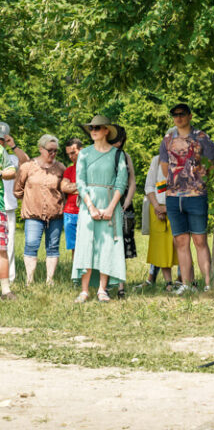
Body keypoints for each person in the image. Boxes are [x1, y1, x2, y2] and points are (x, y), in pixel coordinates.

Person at [159, 103, 214, 294]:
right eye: (174, 114)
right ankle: (187, 284)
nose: (178, 117)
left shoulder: (202, 137)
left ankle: (208, 284)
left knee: (200, 240)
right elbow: (165, 168)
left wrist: (200, 178)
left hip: (196, 195)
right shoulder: (167, 139)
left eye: (182, 114)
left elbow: (213, 165)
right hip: (173, 197)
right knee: (181, 242)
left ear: (190, 116)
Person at [71, 116, 128, 302]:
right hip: (88, 204)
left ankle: (102, 289)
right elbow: (80, 182)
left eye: (97, 127)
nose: (93, 130)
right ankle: (84, 290)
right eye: (91, 128)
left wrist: (111, 208)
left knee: (107, 246)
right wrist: (90, 206)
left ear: (106, 131)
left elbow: (121, 182)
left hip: (111, 202)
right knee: (86, 243)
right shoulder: (84, 154)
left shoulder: (117, 154)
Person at [14, 134, 66, 285]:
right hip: (33, 214)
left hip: (55, 214)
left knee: (53, 247)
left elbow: (65, 189)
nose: (53, 153)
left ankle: (50, 280)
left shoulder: (60, 167)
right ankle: (29, 280)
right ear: (41, 149)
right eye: (50, 150)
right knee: (31, 244)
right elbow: (17, 189)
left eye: (55, 151)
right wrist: (30, 199)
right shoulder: (28, 166)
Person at [143, 154, 179, 291]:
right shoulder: (157, 160)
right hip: (157, 209)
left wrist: (168, 209)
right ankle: (168, 283)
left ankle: (184, 280)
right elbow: (149, 186)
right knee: (162, 248)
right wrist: (157, 207)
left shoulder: (184, 160)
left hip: (177, 209)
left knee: (179, 245)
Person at [0, 123, 29, 283]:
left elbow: (26, 162)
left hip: (8, 206)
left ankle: (9, 277)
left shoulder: (11, 158)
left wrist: (13, 146)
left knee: (8, 244)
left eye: (2, 139)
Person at [110, 126, 136, 299]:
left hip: (124, 203)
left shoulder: (125, 156)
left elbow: (132, 181)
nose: (119, 142)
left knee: (121, 245)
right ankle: (104, 284)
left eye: (121, 139)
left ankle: (121, 287)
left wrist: (127, 201)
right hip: (106, 200)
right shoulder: (102, 154)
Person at [0, 135, 18, 299]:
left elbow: (12, 171)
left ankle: (5, 290)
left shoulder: (1, 151)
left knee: (1, 249)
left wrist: (2, 173)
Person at [60, 138, 83, 253]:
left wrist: (72, 187)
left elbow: (93, 188)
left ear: (81, 150)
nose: (70, 156)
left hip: (86, 212)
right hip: (70, 213)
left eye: (73, 153)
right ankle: (75, 266)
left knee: (87, 246)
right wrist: (82, 186)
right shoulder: (69, 170)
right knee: (74, 248)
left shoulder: (91, 168)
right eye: (68, 154)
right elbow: (64, 187)